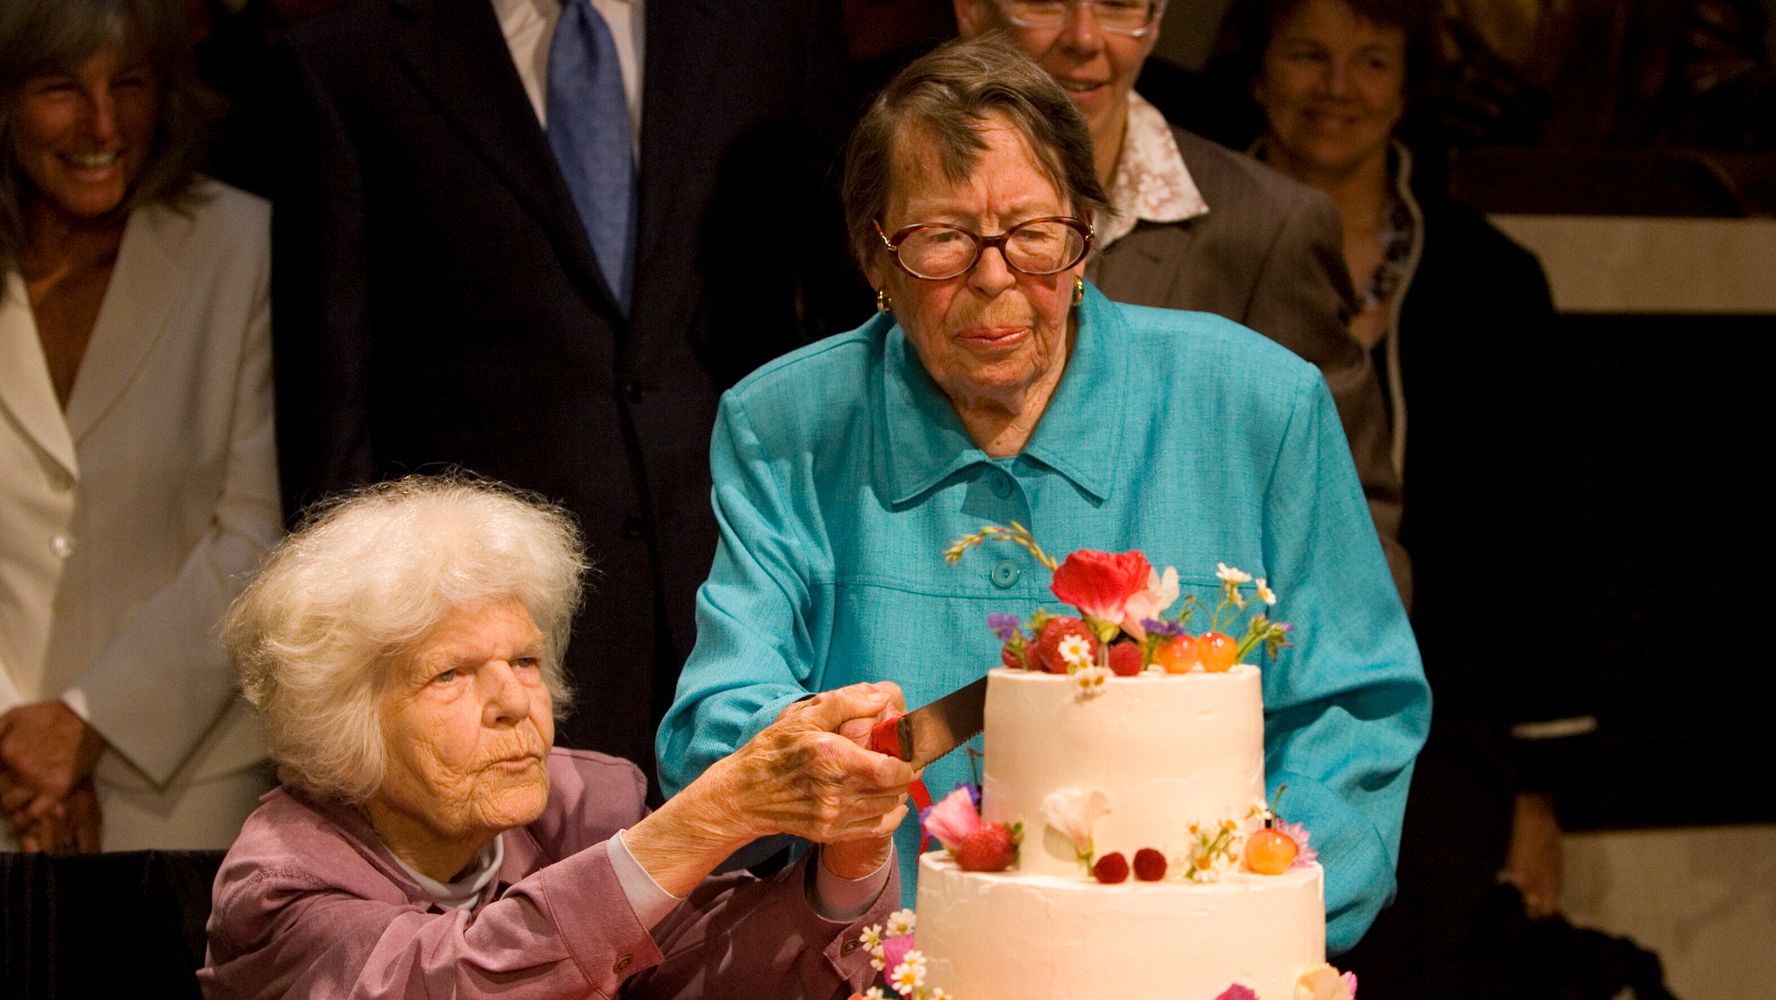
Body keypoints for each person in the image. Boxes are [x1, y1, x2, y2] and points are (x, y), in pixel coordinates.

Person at [658, 36, 1429, 954]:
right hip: (873, 967)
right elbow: (713, 732)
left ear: (1086, 237)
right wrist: (806, 764)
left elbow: (1357, 712)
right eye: (942, 239)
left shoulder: (1258, 407)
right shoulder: (790, 424)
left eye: (1032, 235)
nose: (994, 278)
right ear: (875, 258)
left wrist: (1245, 915)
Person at [267, 0, 857, 791]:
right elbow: (332, 415)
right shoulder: (347, 57)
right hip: (494, 660)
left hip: (752, 621)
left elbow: (848, 314)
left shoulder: (767, 24)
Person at [199, 475, 910, 998]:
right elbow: (453, 979)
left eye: (524, 660)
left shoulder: (584, 799)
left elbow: (711, 968)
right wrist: (715, 813)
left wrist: (850, 853)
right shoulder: (282, 884)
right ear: (347, 717)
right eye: (450, 673)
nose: (514, 702)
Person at [1226, 0, 1599, 993]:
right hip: (1222, 705)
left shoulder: (1490, 280)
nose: (1336, 86)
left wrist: (1536, 789)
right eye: (1307, 53)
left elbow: (1544, 536)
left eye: (1371, 60)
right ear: (1258, 73)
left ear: (1406, 86)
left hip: (1444, 731)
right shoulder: (1186, 254)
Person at [951, 0, 1412, 601]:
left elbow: (1350, 524)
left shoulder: (1265, 226)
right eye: (1047, 1)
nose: (1087, 38)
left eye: (1119, 5)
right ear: (970, 11)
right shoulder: (901, 210)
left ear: (1157, 21)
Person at [0, 0, 279, 853]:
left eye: (128, 84)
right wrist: (20, 737)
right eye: (59, 88)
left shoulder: (241, 243)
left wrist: (90, 723)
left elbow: (258, 529)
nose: (102, 122)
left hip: (190, 783)